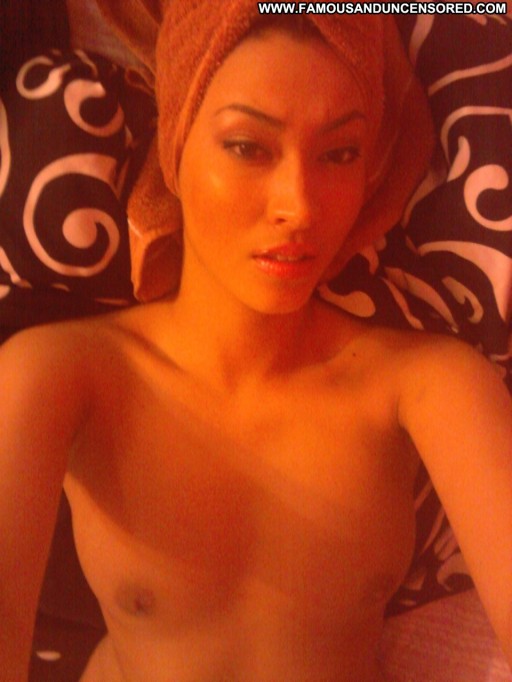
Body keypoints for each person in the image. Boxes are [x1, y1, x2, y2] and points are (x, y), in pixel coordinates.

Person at [1, 6, 511, 682]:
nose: (299, 206)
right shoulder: (57, 374)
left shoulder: (431, 383)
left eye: (339, 153)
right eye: (248, 146)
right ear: (176, 143)